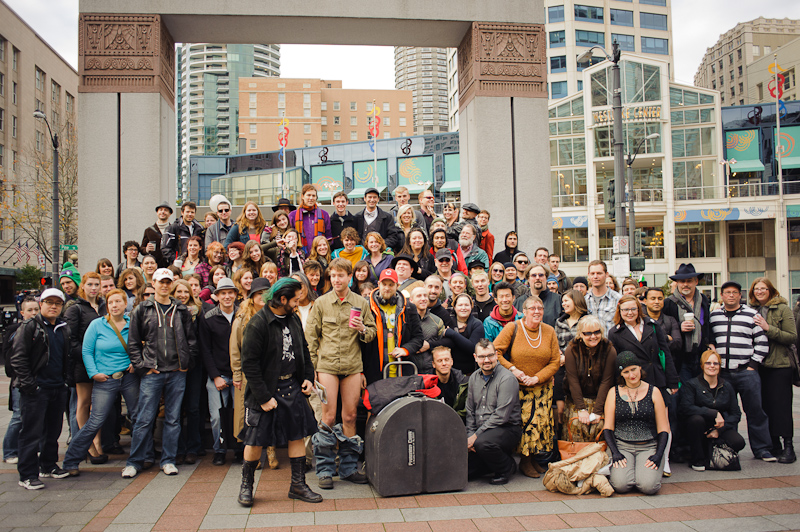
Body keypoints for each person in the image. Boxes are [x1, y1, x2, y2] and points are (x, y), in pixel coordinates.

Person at [237, 278, 321, 507]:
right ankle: (246, 486)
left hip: (291, 386)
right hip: (264, 391)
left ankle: (297, 485)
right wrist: (263, 398)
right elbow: (250, 364)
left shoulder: (292, 318)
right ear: (282, 299)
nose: (297, 304)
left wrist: (307, 377)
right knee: (254, 441)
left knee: (297, 434)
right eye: (294, 300)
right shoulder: (258, 323)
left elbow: (303, 348)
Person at [306, 258, 377, 490]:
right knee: (327, 417)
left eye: (341, 275)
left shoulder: (360, 302)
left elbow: (372, 334)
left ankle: (348, 469)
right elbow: (311, 338)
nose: (337, 279)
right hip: (326, 367)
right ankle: (325, 469)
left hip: (352, 366)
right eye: (333, 276)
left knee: (349, 417)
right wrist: (312, 369)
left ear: (350, 277)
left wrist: (363, 329)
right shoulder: (321, 303)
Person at [122, 269, 197, 478]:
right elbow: (133, 343)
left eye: (167, 282)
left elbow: (191, 341)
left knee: (173, 419)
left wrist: (186, 364)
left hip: (176, 372)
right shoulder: (142, 309)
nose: (164, 285)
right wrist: (143, 367)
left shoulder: (181, 310)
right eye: (160, 282)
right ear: (153, 283)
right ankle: (134, 461)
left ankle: (168, 460)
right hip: (152, 372)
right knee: (144, 419)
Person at [62, 289, 139, 476]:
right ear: (107, 305)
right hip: (105, 379)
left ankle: (139, 457)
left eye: (118, 301)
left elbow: (139, 346)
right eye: (111, 302)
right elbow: (86, 351)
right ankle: (71, 459)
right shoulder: (97, 325)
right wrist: (93, 373)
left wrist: (134, 364)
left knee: (138, 417)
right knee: (95, 420)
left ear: (124, 304)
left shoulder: (132, 324)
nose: (115, 305)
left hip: (128, 377)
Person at [10, 288, 72, 489]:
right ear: (41, 304)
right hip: (36, 389)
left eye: (57, 303)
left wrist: (64, 382)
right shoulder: (30, 326)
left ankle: (48, 464)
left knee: (53, 431)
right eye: (49, 302)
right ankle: (27, 474)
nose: (53, 306)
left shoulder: (63, 327)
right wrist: (30, 385)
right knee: (31, 433)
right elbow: (18, 358)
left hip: (57, 387)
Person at [494, 296, 561, 478]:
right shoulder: (513, 327)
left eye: (540, 307)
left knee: (540, 426)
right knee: (526, 425)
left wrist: (538, 377)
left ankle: (532, 459)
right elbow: (496, 351)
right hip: (519, 387)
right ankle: (524, 461)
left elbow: (555, 360)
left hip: (542, 388)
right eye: (532, 308)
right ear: (524, 311)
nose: (537, 311)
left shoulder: (549, 331)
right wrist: (513, 370)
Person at [710, 281, 775, 462]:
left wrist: (753, 365)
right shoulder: (714, 316)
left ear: (740, 295)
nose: (731, 295)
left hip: (746, 371)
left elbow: (762, 342)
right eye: (727, 292)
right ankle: (729, 448)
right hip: (723, 373)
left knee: (755, 410)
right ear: (722, 295)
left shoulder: (751, 315)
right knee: (727, 412)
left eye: (735, 293)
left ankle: (762, 449)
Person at [603, 351, 671, 495]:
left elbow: (664, 429)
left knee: (649, 487)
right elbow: (608, 428)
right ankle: (632, 473)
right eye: (626, 372)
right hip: (622, 446)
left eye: (633, 369)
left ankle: (641, 474)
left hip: (648, 446)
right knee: (620, 486)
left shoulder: (654, 391)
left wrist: (659, 455)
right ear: (621, 374)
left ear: (640, 368)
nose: (631, 375)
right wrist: (615, 452)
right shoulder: (613, 392)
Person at [748, 277, 798, 463]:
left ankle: (788, 447)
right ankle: (774, 445)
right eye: (756, 289)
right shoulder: (751, 310)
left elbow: (792, 337)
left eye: (763, 288)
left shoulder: (782, 308)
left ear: (771, 290)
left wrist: (768, 328)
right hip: (759, 365)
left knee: (781, 408)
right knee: (765, 406)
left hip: (780, 365)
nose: (759, 292)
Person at [229, 277, 274, 468]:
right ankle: (252, 456)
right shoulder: (242, 318)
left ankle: (271, 451)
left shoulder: (275, 315)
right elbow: (235, 349)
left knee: (272, 413)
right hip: (249, 375)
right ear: (252, 297)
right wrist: (237, 374)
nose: (262, 297)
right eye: (259, 294)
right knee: (250, 416)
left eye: (266, 293)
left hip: (271, 374)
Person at [64, 272, 108, 463]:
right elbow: (70, 340)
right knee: (83, 403)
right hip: (83, 363)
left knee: (96, 406)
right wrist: (89, 354)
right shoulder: (76, 309)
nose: (93, 288)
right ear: (82, 285)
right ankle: (87, 445)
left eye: (96, 284)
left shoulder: (103, 307)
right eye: (90, 284)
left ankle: (97, 442)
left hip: (103, 364)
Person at [679, 349, 745, 471]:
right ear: (702, 365)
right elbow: (686, 408)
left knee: (739, 442)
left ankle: (711, 451)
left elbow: (736, 413)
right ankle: (697, 460)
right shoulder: (692, 384)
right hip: (699, 427)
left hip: (720, 427)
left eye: (716, 363)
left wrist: (719, 430)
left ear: (720, 366)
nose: (712, 366)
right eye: (708, 363)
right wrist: (713, 413)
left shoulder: (727, 386)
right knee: (696, 420)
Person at [466, 339, 521, 485]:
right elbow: (470, 410)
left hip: (506, 428)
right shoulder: (473, 378)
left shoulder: (507, 378)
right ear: (475, 357)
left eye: (490, 355)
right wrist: (470, 435)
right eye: (482, 357)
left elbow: (501, 416)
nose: (487, 360)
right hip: (482, 431)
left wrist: (476, 437)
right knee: (466, 471)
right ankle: (490, 464)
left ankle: (506, 467)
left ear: (496, 355)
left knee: (483, 444)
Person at [198, 278, 240, 466]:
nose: (227, 296)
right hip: (218, 375)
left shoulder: (243, 315)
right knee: (216, 417)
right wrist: (215, 376)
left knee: (239, 415)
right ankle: (219, 450)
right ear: (216, 296)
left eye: (230, 292)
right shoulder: (208, 317)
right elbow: (205, 350)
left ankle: (239, 449)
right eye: (223, 293)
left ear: (235, 294)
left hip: (239, 375)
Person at [607, 295, 679, 395]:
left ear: (638, 309)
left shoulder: (652, 325)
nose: (630, 313)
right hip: (633, 382)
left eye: (633, 309)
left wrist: (673, 381)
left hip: (656, 378)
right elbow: (616, 363)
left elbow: (666, 353)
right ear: (619, 311)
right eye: (625, 310)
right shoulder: (615, 333)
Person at [363, 268, 423, 383]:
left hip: (401, 371)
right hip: (373, 373)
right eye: (384, 284)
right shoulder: (366, 306)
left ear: (397, 285)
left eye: (391, 285)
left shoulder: (409, 308)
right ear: (379, 284)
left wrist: (405, 349)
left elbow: (418, 338)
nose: (387, 288)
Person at [562, 316, 616, 443]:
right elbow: (572, 380)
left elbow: (606, 381)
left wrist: (597, 410)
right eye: (588, 333)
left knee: (599, 426)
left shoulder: (609, 349)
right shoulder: (572, 349)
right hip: (576, 397)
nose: (593, 336)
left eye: (597, 332)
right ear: (580, 334)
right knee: (576, 424)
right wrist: (581, 409)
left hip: (600, 396)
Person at [2, 298, 39, 465]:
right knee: (19, 416)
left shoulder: (41, 329)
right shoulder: (15, 330)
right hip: (20, 381)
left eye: (36, 310)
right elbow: (10, 360)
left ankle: (32, 449)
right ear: (22, 313)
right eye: (29, 310)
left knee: (34, 417)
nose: (33, 313)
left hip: (38, 380)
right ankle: (9, 451)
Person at [662, 263, 713, 380]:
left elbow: (707, 324)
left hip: (701, 354)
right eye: (682, 281)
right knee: (685, 393)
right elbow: (664, 327)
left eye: (689, 281)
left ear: (696, 282)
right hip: (680, 357)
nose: (685, 284)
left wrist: (711, 343)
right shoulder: (668, 303)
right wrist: (679, 327)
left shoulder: (703, 300)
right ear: (677, 283)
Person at [409, 286, 446, 374]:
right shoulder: (405, 320)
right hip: (410, 369)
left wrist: (430, 345)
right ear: (411, 300)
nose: (423, 299)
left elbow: (444, 344)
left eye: (425, 296)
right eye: (419, 296)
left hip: (431, 370)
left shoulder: (437, 321)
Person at [445, 293, 485, 374]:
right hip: (450, 371)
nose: (463, 308)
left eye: (466, 305)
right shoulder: (448, 322)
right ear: (455, 307)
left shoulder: (477, 324)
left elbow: (472, 348)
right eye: (460, 305)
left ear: (471, 307)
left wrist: (453, 334)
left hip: (471, 371)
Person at [355, 188, 404, 253]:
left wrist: (381, 246)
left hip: (380, 254)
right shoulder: (357, 217)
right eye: (369, 197)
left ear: (378, 199)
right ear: (365, 198)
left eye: (374, 197)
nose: (372, 200)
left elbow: (393, 237)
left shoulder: (387, 217)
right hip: (361, 255)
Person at [514, 263, 562, 328]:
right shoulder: (519, 302)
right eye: (534, 275)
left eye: (541, 275)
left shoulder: (559, 300)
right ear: (528, 278)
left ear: (546, 277)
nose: (537, 278)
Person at [288, 184, 332, 255]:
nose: (311, 198)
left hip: (319, 256)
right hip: (300, 255)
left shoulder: (324, 215)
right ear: (302, 196)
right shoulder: (292, 215)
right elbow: (289, 238)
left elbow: (329, 237)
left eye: (313, 196)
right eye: (308, 195)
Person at [585, 260, 621, 334]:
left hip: (611, 344)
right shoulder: (584, 300)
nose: (595, 276)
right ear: (588, 275)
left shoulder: (618, 299)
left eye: (599, 273)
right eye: (592, 273)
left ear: (606, 275)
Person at [644, 288, 682, 356]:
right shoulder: (640, 320)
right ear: (645, 301)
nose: (657, 301)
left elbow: (677, 344)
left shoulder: (670, 320)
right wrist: (666, 338)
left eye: (660, 299)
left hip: (667, 362)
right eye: (653, 299)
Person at [141, 201, 173, 268]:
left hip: (170, 265)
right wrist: (146, 249)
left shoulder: (173, 229)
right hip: (154, 266)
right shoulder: (149, 230)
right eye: (160, 210)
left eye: (166, 210)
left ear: (170, 214)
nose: (163, 212)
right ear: (157, 213)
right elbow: (142, 249)